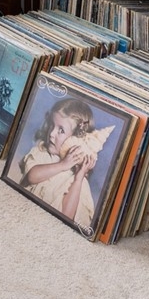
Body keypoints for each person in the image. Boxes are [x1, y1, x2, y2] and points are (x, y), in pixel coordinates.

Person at [17, 96, 101, 230]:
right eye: (52, 125)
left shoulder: (77, 180)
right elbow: (32, 176)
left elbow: (66, 215)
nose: (51, 133)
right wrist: (62, 165)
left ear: (75, 140)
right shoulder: (42, 153)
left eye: (61, 130)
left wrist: (79, 179)